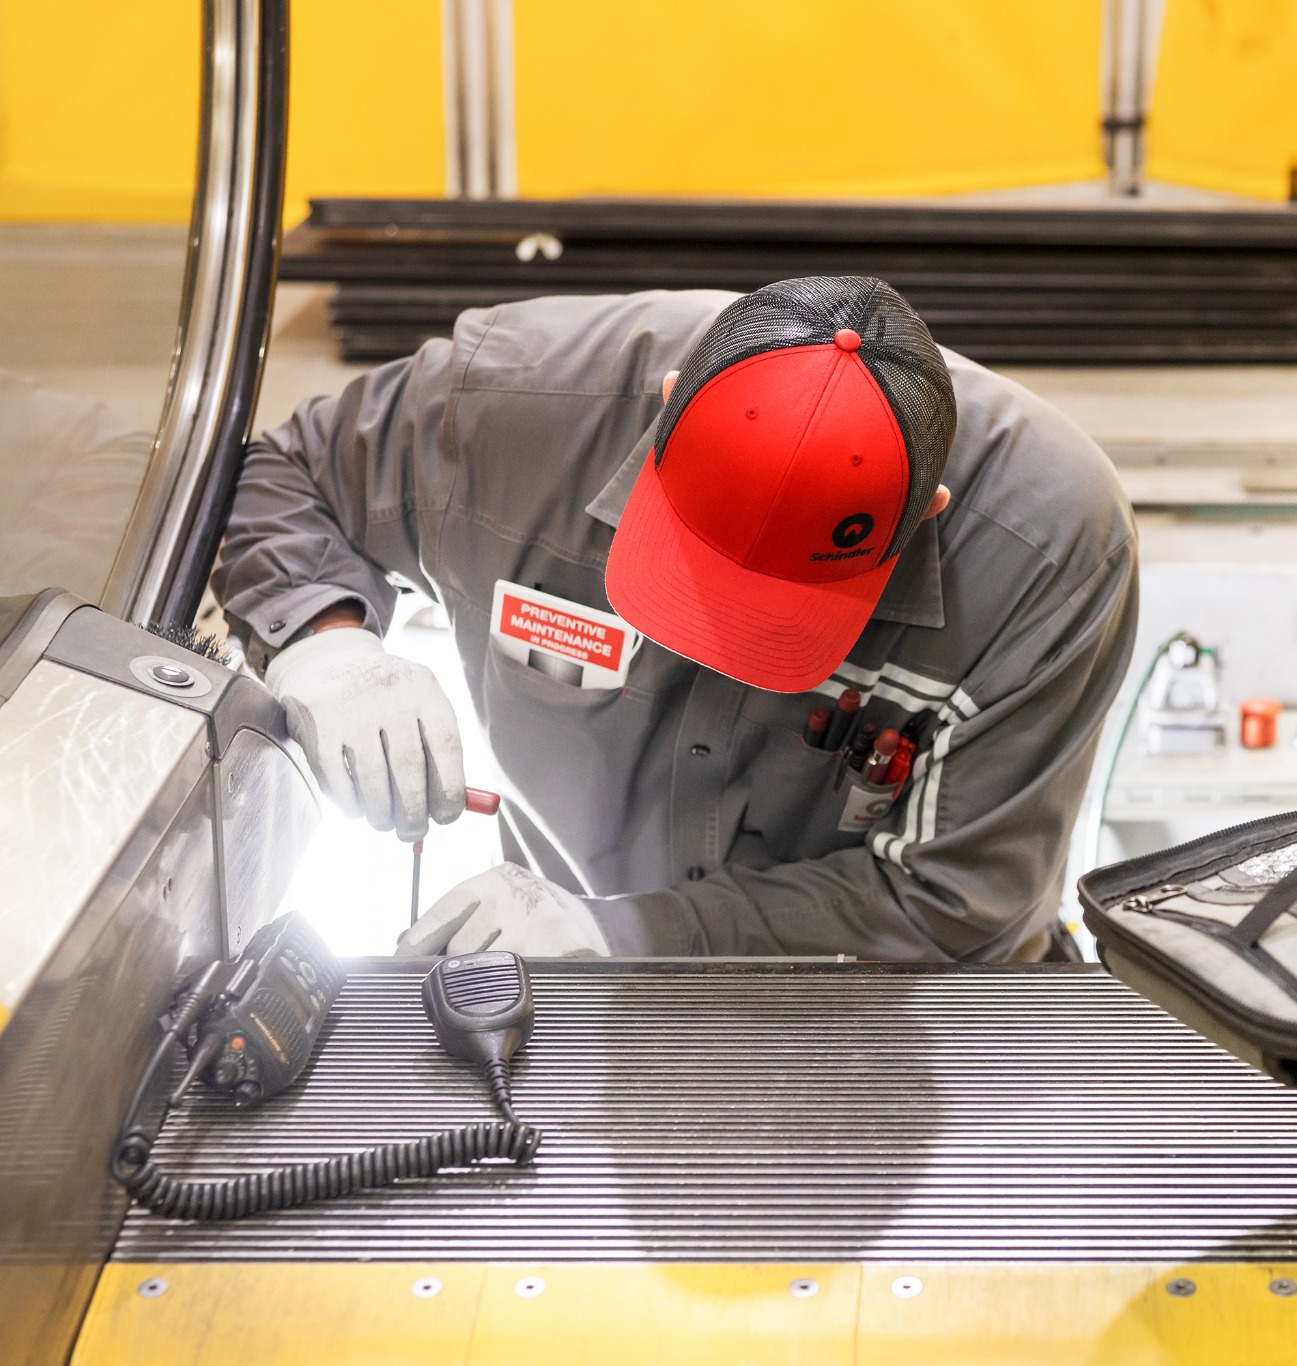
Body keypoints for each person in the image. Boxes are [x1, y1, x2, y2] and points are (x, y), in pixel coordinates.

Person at [216, 277, 1136, 961]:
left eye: (777, 619)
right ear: (662, 415)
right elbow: (280, 475)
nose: (718, 650)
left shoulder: (1048, 546)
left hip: (880, 1019)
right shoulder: (510, 411)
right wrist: (325, 640)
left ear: (924, 516)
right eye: (693, 577)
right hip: (565, 993)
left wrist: (620, 936)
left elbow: (955, 907)